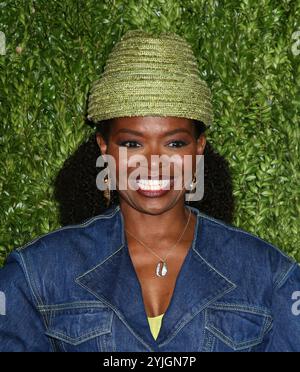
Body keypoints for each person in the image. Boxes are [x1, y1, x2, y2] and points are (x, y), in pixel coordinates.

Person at [0, 29, 299, 352]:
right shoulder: (36, 273)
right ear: (105, 147)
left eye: (174, 143)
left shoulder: (270, 276)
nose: (153, 163)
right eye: (132, 143)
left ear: (199, 147)